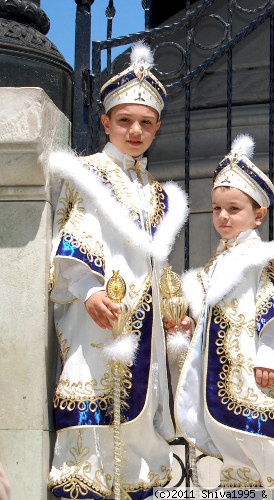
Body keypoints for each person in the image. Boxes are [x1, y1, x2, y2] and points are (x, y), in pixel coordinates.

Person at [47, 41, 189, 499]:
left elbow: (158, 264)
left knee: (140, 417)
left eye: (146, 123)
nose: (135, 130)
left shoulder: (157, 193)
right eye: (125, 120)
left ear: (157, 128)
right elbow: (74, 234)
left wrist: (174, 306)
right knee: (93, 409)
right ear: (105, 122)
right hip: (98, 317)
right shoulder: (88, 171)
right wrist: (88, 289)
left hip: (144, 323)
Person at [174, 134, 274, 489]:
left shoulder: (265, 257)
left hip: (251, 372)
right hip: (218, 376)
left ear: (258, 215)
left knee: (262, 439)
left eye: (233, 209)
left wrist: (268, 352)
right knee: (233, 448)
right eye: (217, 208)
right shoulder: (214, 264)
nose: (223, 216)